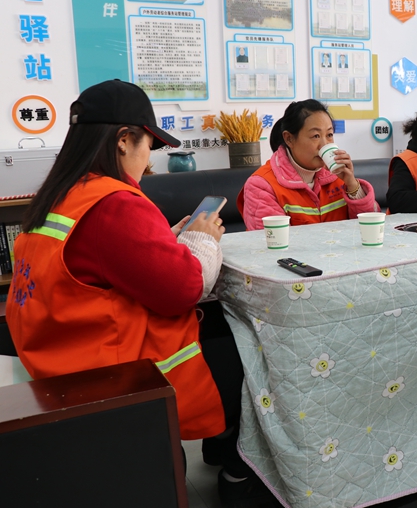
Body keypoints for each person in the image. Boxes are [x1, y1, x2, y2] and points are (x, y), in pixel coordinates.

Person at [5, 80, 274, 506]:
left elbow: (100, 264)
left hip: (59, 371)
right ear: (124, 140)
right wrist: (200, 241)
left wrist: (164, 242)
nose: (149, 159)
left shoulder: (61, 195)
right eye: (149, 144)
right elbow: (182, 289)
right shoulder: (116, 203)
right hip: (117, 390)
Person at [237, 99, 379, 229]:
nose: (324, 145)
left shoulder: (337, 175)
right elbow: (272, 244)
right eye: (315, 136)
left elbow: (371, 228)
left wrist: (352, 185)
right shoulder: (261, 185)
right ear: (289, 139)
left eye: (329, 135)